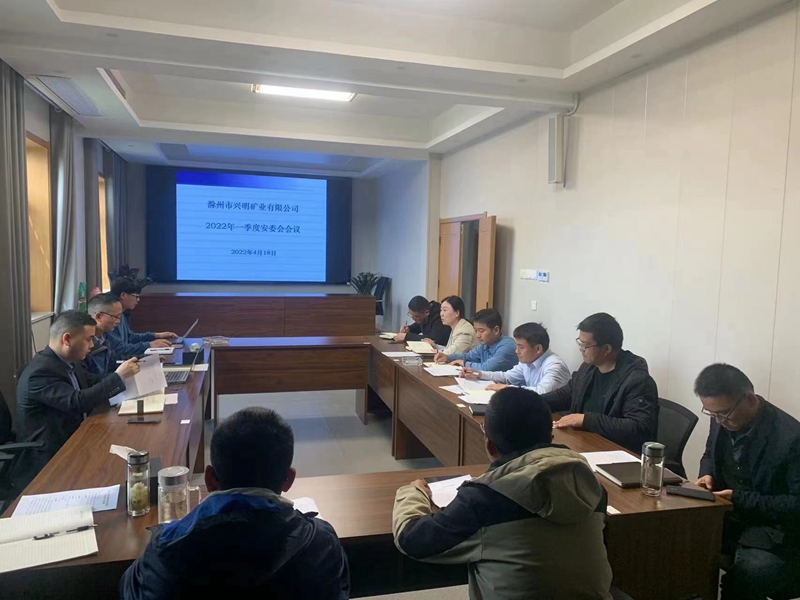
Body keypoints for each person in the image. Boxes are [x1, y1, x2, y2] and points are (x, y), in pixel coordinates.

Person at [392, 387, 613, 600]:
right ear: (551, 438)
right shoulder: (592, 488)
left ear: (490, 446)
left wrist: (413, 492)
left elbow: (410, 539)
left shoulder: (483, 500)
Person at [121, 407, 350, 599]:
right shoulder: (321, 544)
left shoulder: (165, 552)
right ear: (289, 479)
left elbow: (128, 589)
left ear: (210, 479)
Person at [694, 364, 800, 600]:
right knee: (676, 541)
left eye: (723, 414)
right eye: (712, 414)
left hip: (775, 533)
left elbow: (796, 505)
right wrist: (707, 473)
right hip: (730, 518)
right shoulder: (722, 416)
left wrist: (739, 498)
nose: (718, 420)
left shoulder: (791, 438)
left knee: (746, 575)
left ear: (750, 399)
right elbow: (710, 454)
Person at [15, 311, 139, 487]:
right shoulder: (40, 372)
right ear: (67, 339)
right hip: (51, 453)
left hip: (78, 436)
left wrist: (126, 377)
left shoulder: (68, 362)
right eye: (88, 339)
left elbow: (93, 381)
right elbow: (77, 402)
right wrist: (118, 377)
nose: (92, 345)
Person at [544, 312, 658, 454]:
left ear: (606, 349)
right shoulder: (588, 367)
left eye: (585, 345)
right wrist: (531, 400)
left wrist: (586, 420)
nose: (580, 349)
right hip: (585, 443)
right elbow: (565, 395)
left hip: (617, 453)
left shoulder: (637, 380)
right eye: (580, 343)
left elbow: (638, 428)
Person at [462, 322, 571, 394]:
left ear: (538, 349)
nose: (516, 351)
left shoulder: (555, 366)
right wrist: (480, 374)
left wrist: (506, 388)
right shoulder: (527, 361)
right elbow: (506, 377)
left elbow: (542, 392)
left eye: (521, 347)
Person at [107, 279, 175, 357]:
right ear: (123, 295)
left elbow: (131, 338)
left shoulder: (121, 314)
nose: (138, 299)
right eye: (136, 296)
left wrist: (157, 335)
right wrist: (149, 345)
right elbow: (118, 349)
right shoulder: (111, 317)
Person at [434, 308, 517, 372]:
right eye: (476, 330)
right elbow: (468, 356)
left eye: (481, 331)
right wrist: (447, 357)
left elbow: (487, 368)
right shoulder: (484, 345)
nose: (478, 335)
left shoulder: (507, 346)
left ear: (496, 330)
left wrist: (464, 363)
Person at [84, 293, 125, 375]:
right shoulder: (84, 345)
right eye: (116, 317)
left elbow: (113, 363)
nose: (118, 321)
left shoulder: (105, 336)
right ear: (99, 316)